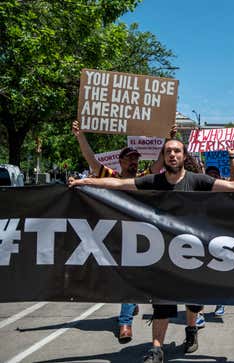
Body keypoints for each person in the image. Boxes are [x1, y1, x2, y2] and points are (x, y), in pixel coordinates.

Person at [69, 139, 234, 363]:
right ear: (164, 157)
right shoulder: (154, 181)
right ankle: (157, 349)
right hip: (164, 255)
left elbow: (232, 187)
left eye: (177, 151)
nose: (172, 155)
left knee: (193, 301)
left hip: (192, 254)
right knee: (162, 301)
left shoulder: (198, 181)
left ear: (184, 156)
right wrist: (84, 182)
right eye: (168, 152)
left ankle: (191, 330)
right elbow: (120, 185)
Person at [72, 120, 172, 342]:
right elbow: (91, 160)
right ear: (120, 161)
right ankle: (127, 315)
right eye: (130, 158)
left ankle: (125, 318)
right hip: (115, 234)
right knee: (127, 275)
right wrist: (80, 136)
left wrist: (167, 137)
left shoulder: (144, 178)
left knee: (132, 275)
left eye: (136, 158)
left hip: (143, 236)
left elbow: (159, 162)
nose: (134, 162)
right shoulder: (110, 176)